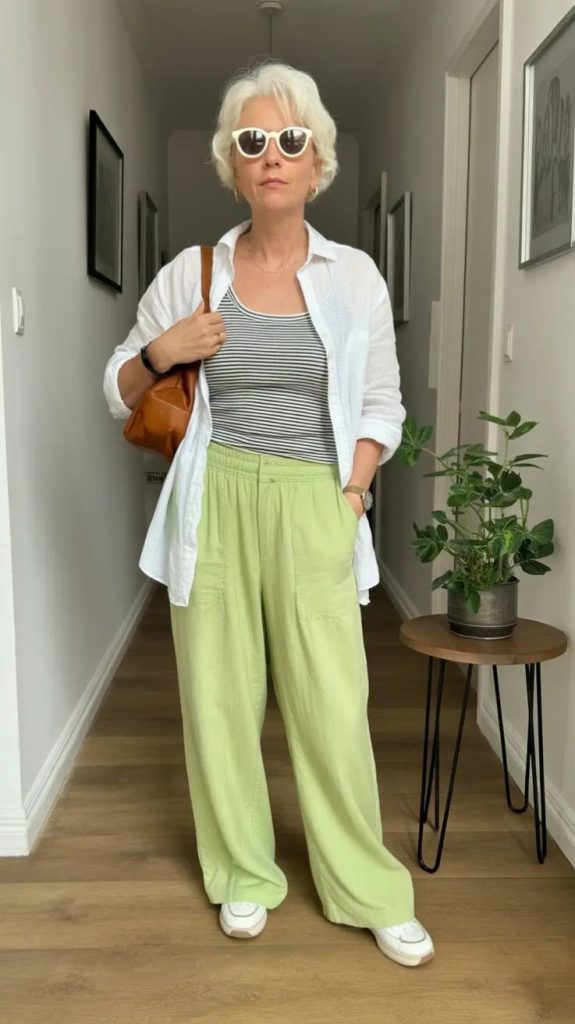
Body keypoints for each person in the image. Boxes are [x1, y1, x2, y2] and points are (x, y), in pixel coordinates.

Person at [103, 60, 434, 968]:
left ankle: (365, 886)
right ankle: (243, 871)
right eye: (252, 140)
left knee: (332, 704)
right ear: (232, 163)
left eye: (292, 139)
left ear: (317, 159)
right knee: (218, 698)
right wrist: (163, 349)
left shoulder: (352, 276)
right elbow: (116, 386)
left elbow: (381, 405)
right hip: (214, 499)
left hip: (315, 497)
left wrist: (352, 493)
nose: (273, 154)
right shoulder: (193, 273)